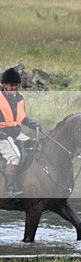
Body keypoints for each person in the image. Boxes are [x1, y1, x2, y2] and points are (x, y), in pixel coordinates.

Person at [0, 67, 42, 198]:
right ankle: (9, 190)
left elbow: (22, 117)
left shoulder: (20, 98)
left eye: (16, 85)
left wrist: (33, 123)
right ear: (4, 85)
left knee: (36, 147)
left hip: (16, 133)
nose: (14, 87)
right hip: (2, 134)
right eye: (11, 85)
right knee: (14, 156)